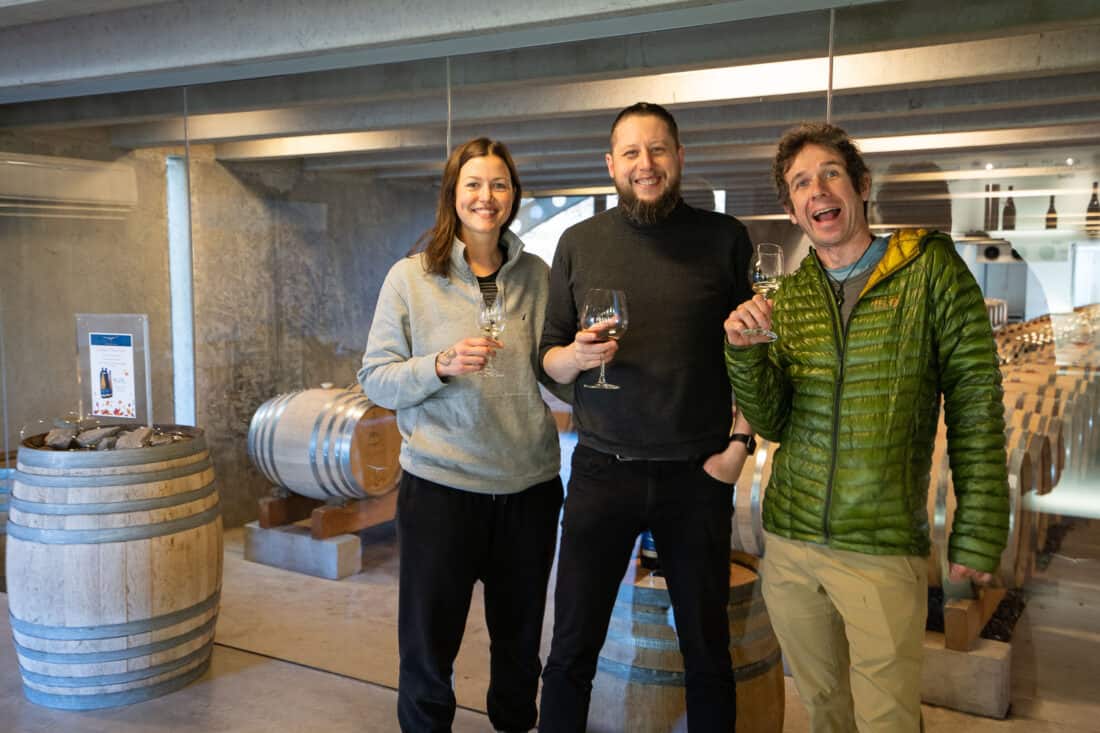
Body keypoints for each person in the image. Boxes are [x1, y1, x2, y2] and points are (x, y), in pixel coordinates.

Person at [724, 122, 1009, 732]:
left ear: (860, 185)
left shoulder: (930, 271)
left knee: (888, 719)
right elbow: (774, 421)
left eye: (829, 173)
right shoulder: (793, 295)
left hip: (879, 547)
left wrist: (979, 526)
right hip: (792, 545)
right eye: (801, 183)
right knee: (825, 709)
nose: (817, 190)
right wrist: (745, 352)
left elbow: (975, 399)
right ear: (792, 208)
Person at [537, 102, 755, 733]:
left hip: (697, 477)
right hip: (603, 472)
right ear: (610, 166)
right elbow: (545, 361)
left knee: (709, 656)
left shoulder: (724, 239)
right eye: (631, 153)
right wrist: (573, 356)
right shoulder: (578, 244)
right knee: (573, 650)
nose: (645, 164)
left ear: (680, 158)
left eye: (658, 150)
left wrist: (739, 444)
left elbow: (755, 355)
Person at [359, 137, 563, 733]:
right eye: (474, 184)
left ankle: (513, 725)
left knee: (521, 645)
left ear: (513, 196)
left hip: (528, 487)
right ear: (453, 193)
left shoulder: (537, 275)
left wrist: (580, 360)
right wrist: (440, 364)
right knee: (428, 647)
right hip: (440, 490)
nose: (486, 196)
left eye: (499, 184)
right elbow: (376, 379)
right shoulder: (410, 278)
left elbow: (551, 369)